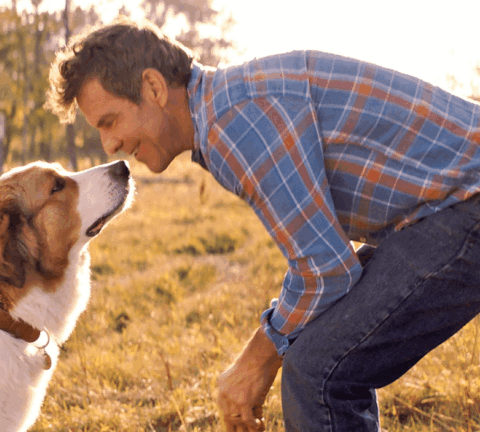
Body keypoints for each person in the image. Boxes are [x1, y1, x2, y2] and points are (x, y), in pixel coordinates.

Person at [45, 16, 480, 432]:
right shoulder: (229, 109)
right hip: (445, 209)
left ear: (154, 87)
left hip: (467, 203)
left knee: (317, 371)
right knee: (312, 356)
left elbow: (326, 269)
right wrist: (271, 343)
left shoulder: (235, 121)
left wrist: (256, 357)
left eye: (110, 121)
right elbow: (328, 260)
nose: (110, 144)